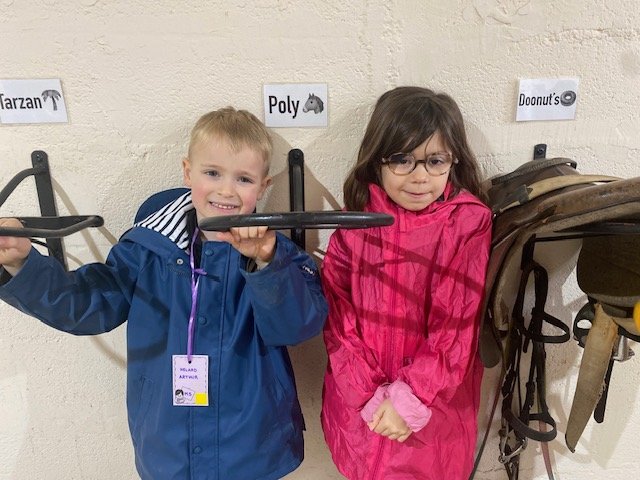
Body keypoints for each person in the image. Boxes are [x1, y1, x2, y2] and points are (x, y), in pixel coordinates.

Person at [0, 107, 328, 480]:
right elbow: (87, 305)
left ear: (263, 186)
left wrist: (267, 265)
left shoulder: (276, 255)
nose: (226, 190)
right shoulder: (147, 250)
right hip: (168, 443)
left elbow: (297, 327)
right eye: (212, 173)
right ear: (188, 172)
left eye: (243, 179)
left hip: (252, 445)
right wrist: (23, 265)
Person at [320, 87, 492, 480]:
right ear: (377, 158)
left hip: (431, 419)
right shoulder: (355, 222)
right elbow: (338, 318)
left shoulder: (466, 223)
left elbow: (456, 326)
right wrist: (367, 396)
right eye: (402, 160)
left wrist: (410, 399)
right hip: (361, 415)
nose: (420, 177)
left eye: (435, 161)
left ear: (453, 160)